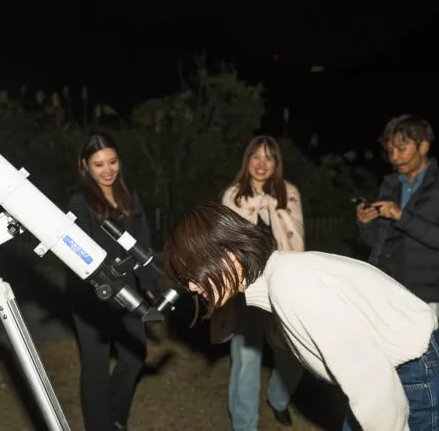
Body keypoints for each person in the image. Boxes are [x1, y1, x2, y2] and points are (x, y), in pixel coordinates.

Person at [164, 201, 439, 431]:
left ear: (228, 256)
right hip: (400, 371)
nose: (192, 287)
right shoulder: (284, 273)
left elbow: (373, 384)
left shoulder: (292, 285)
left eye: (193, 273)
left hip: (411, 373)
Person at [65, 132, 159, 431]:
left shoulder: (128, 196)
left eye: (113, 161)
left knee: (135, 355)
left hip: (126, 288)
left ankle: (116, 418)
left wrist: (148, 284)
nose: (108, 170)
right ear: (85, 166)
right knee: (96, 367)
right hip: (90, 294)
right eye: (99, 164)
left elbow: (142, 241)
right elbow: (73, 250)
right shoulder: (79, 202)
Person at [210, 135, 304, 430]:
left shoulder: (288, 193)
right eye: (256, 157)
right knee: (247, 361)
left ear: (277, 164)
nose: (262, 164)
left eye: (269, 158)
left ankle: (278, 398)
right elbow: (226, 244)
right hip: (247, 288)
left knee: (295, 354)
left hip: (284, 284)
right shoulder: (233, 196)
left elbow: (297, 238)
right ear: (247, 160)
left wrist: (271, 206)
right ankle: (244, 425)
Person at [357, 114, 439, 313]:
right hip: (386, 288)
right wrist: (366, 223)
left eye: (401, 149)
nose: (394, 158)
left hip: (426, 296)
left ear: (423, 147)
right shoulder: (391, 185)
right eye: (390, 151)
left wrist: (402, 216)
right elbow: (377, 242)